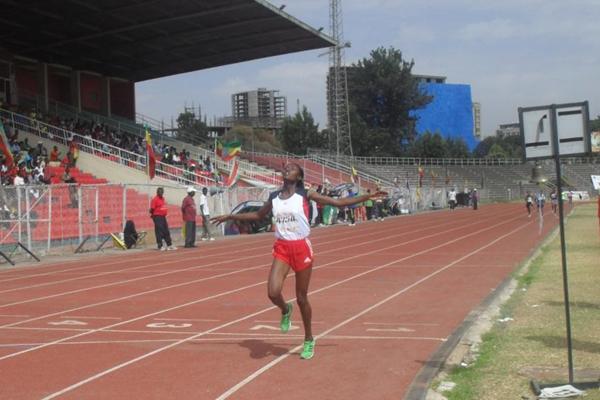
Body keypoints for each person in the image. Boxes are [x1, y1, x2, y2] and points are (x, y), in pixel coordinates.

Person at [211, 163, 385, 360]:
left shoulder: (306, 194)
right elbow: (259, 215)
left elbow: (338, 203)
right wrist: (230, 216)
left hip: (301, 247)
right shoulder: (274, 197)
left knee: (302, 298)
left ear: (299, 175)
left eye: (292, 168)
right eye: (285, 167)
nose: (287, 169)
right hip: (282, 248)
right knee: (272, 292)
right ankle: (286, 309)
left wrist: (366, 196)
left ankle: (309, 338)